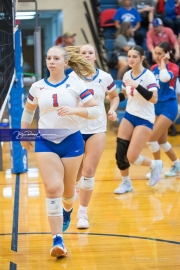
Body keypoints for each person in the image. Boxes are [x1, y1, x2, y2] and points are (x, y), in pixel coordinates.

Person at [20, 46, 101, 258]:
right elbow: (28, 111)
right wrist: (24, 135)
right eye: (48, 58)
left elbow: (94, 111)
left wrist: (75, 109)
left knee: (67, 192)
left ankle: (68, 209)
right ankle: (58, 240)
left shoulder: (76, 84)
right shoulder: (37, 87)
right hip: (45, 141)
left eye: (56, 58)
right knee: (53, 188)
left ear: (66, 63)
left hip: (71, 140)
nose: (51, 61)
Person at [68, 43, 119, 228]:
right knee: (75, 173)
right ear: (79, 56)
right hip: (75, 129)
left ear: (95, 56)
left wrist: (112, 110)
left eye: (90, 53)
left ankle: (82, 213)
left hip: (97, 129)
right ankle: (72, 192)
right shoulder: (72, 78)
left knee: (89, 172)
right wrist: (76, 107)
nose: (87, 55)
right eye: (84, 53)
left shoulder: (104, 77)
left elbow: (114, 96)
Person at [113, 45, 163, 194]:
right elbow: (124, 94)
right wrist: (112, 99)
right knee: (120, 153)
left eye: (134, 56)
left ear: (142, 58)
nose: (131, 59)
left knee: (132, 157)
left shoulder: (148, 75)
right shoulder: (127, 75)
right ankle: (126, 183)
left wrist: (138, 85)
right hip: (129, 115)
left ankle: (154, 164)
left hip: (144, 119)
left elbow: (154, 99)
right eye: (129, 56)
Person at [146, 42, 180, 178]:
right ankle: (177, 164)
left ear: (167, 53)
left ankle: (157, 168)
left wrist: (164, 63)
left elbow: (165, 78)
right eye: (156, 53)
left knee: (151, 139)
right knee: (162, 142)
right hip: (155, 107)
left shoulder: (173, 67)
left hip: (169, 106)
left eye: (160, 53)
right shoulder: (153, 67)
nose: (157, 56)